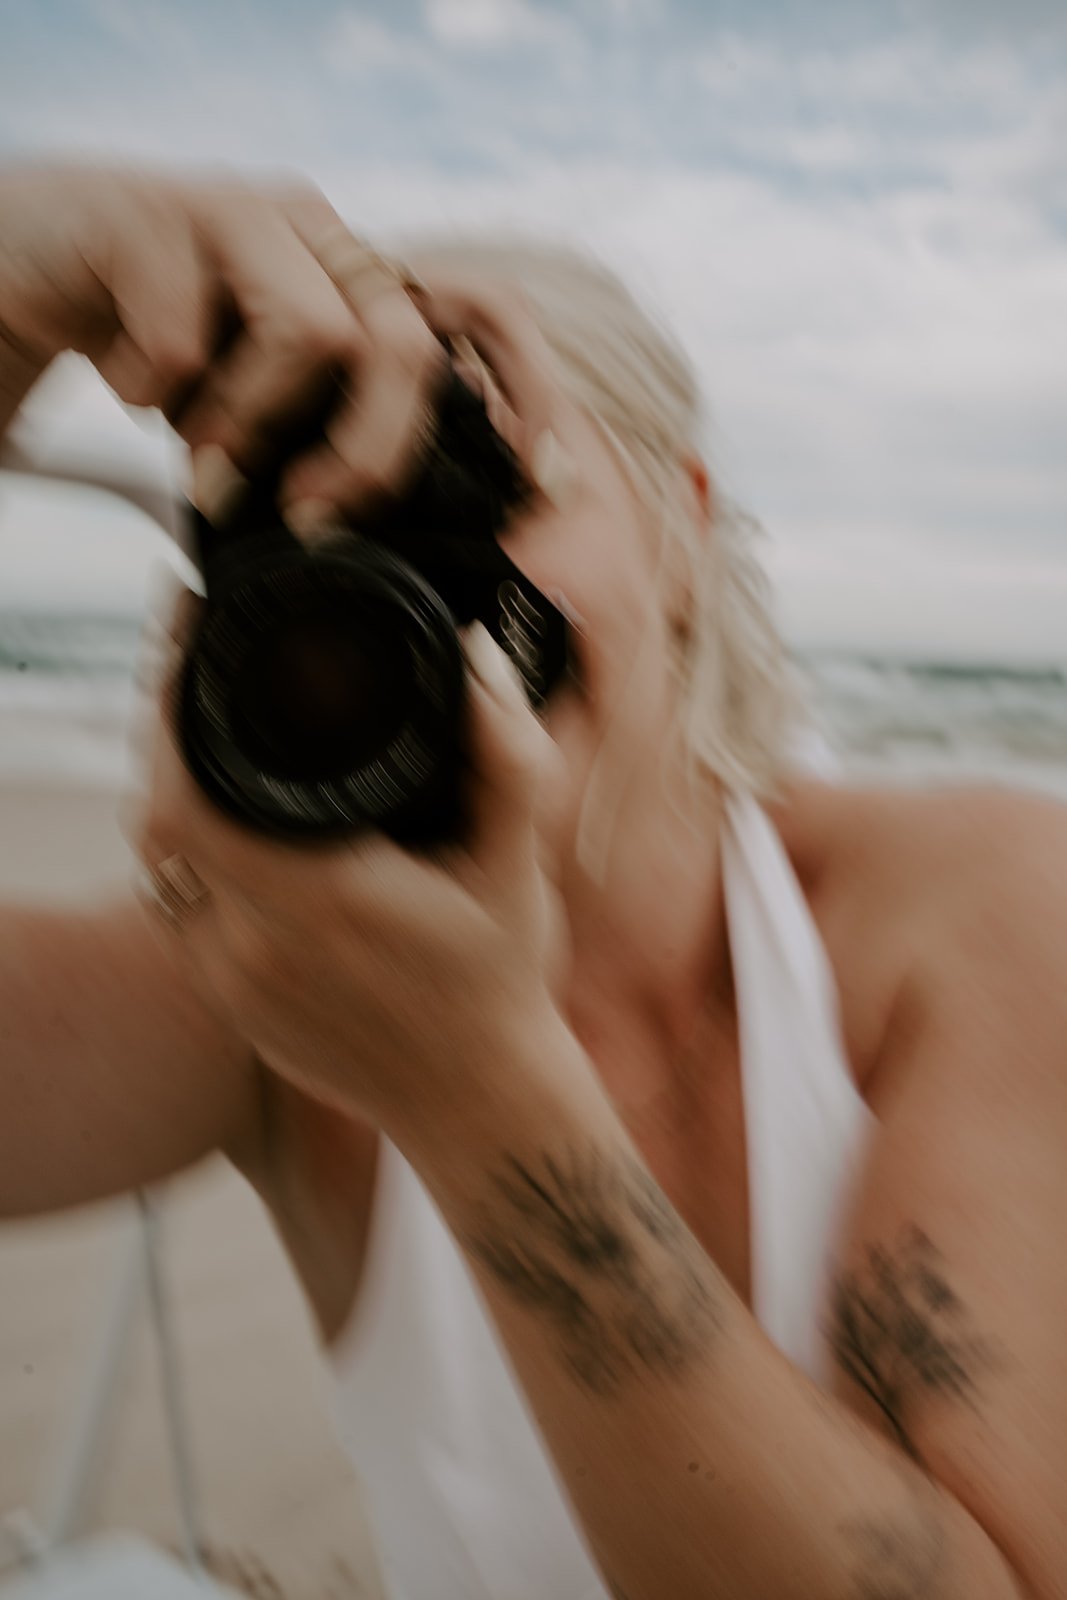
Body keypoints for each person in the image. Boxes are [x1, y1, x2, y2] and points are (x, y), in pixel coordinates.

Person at [0, 162, 1064, 1600]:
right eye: (313, 532)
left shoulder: (979, 906)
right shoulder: (270, 992)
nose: (419, 600)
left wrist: (476, 1093)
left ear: (684, 530)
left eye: (474, 491)